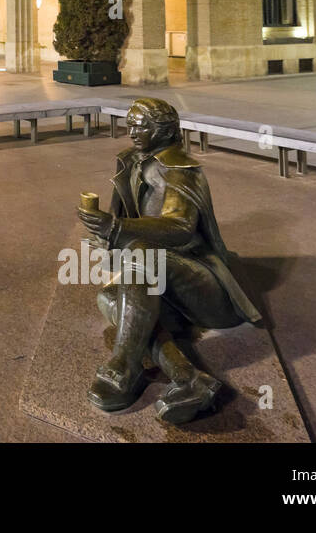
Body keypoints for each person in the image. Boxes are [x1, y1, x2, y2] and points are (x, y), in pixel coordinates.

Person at [77, 97, 261, 424]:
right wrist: (104, 235)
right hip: (155, 277)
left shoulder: (180, 170)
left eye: (141, 125)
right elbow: (126, 226)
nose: (132, 131)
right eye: (130, 123)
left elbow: (179, 228)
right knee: (108, 297)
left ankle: (123, 367)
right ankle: (187, 377)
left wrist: (117, 228)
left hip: (203, 282)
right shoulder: (130, 161)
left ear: (163, 129)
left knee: (142, 256)